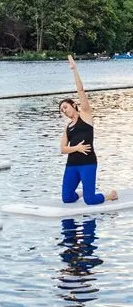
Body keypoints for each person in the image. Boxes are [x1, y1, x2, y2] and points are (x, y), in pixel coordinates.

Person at [59, 55, 117, 205]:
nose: (64, 111)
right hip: (72, 164)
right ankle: (82, 191)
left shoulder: (85, 116)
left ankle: (110, 195)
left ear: (73, 105)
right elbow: (63, 149)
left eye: (65, 107)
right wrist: (76, 148)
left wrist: (74, 69)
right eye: (61, 110)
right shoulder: (68, 127)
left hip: (88, 163)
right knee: (67, 198)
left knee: (90, 200)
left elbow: (81, 90)